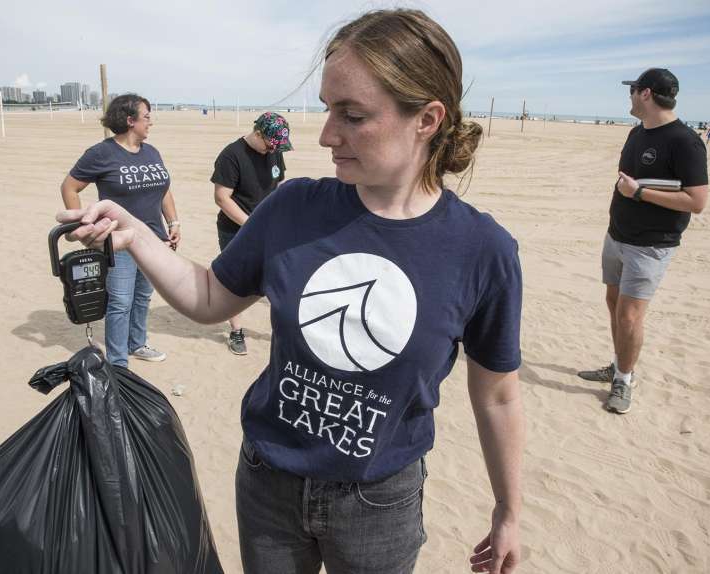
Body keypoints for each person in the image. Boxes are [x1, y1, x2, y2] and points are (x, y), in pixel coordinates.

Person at [58, 9, 523, 574]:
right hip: (268, 483)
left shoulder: (481, 249)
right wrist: (136, 237)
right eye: (328, 110)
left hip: (379, 502)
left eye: (352, 115)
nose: (327, 135)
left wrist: (508, 511)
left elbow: (497, 395)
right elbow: (209, 297)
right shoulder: (295, 206)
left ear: (426, 119)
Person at [577, 68, 709, 414]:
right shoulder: (637, 134)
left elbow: (697, 201)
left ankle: (623, 380)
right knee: (614, 305)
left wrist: (639, 193)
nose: (630, 96)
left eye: (633, 90)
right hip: (617, 235)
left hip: (650, 245)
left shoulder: (685, 141)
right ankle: (620, 363)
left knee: (630, 317)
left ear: (646, 93)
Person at [60, 94, 179, 368]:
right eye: (146, 116)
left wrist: (173, 223)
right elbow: (69, 187)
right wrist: (85, 227)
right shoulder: (101, 153)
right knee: (120, 302)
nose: (151, 122)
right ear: (130, 120)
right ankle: (118, 362)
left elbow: (164, 189)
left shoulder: (152, 152)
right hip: (120, 242)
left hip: (154, 240)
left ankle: (137, 343)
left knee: (143, 297)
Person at [211, 112, 292, 355]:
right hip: (235, 230)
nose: (273, 151)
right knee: (235, 284)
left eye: (278, 147)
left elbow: (276, 186)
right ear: (258, 134)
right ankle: (236, 331)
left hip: (268, 228)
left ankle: (283, 331)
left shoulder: (274, 150)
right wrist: (252, 224)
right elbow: (221, 198)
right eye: (270, 145)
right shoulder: (231, 155)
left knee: (277, 277)